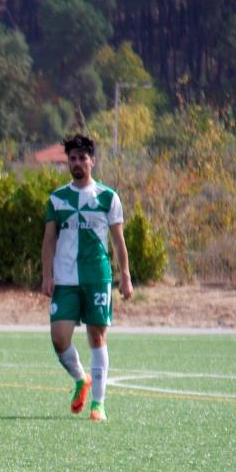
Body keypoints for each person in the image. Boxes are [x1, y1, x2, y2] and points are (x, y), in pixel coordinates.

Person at [41, 134, 133, 421]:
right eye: (73, 158)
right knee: (59, 339)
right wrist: (47, 274)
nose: (78, 163)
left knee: (97, 335)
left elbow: (118, 241)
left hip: (96, 276)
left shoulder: (107, 197)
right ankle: (81, 378)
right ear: (68, 162)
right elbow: (49, 240)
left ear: (92, 161)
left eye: (83, 158)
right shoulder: (57, 199)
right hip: (65, 279)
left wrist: (125, 276)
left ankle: (98, 405)